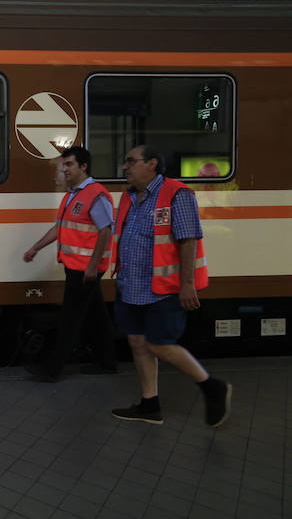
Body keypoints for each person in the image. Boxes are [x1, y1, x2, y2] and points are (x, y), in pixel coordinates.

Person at [110, 145, 231, 427]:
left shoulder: (177, 194)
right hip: (132, 285)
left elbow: (188, 239)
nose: (125, 167)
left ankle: (212, 387)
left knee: (160, 344)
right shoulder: (128, 198)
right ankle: (150, 404)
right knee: (137, 342)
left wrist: (187, 284)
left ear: (152, 163)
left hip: (164, 286)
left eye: (130, 161)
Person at [23, 146, 117, 381]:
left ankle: (51, 369)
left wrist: (93, 266)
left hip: (84, 269)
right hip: (75, 265)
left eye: (69, 165)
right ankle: (108, 363)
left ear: (83, 167)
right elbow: (60, 228)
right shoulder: (72, 194)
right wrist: (36, 247)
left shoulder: (96, 194)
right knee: (98, 317)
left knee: (70, 319)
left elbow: (106, 231)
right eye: (63, 165)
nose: (63, 169)